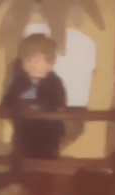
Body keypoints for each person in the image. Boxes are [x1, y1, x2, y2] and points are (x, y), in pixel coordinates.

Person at [5, 33, 69, 162]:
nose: (33, 65)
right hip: (24, 130)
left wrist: (40, 107)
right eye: (28, 61)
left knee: (45, 159)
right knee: (21, 157)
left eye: (39, 61)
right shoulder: (19, 81)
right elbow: (8, 100)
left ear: (50, 63)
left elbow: (58, 103)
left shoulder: (54, 83)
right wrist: (16, 106)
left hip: (48, 131)